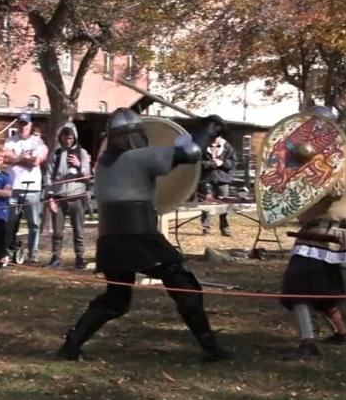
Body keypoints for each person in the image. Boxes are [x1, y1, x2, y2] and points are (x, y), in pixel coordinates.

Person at [57, 108, 230, 362]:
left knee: (116, 299)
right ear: (136, 134)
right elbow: (190, 153)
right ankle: (211, 349)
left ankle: (71, 345)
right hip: (137, 235)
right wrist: (209, 128)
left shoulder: (104, 163)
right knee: (184, 286)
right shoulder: (139, 158)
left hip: (111, 238)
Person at [279, 109, 346, 360]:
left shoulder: (338, 153)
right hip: (321, 229)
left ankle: (308, 342)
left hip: (325, 230)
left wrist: (306, 169)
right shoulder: (334, 151)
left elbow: (334, 189)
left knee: (297, 286)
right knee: (323, 287)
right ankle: (341, 333)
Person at [43, 122, 91, 269]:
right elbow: (48, 177)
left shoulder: (82, 153)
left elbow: (88, 176)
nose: (68, 140)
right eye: (65, 137)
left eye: (70, 137)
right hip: (59, 198)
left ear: (74, 138)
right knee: (57, 231)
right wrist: (50, 198)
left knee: (79, 230)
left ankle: (80, 258)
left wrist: (79, 165)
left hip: (77, 196)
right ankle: (56, 257)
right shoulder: (55, 155)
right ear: (61, 137)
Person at [3, 112, 48, 263]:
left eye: (25, 124)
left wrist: (16, 158)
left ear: (30, 125)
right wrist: (23, 157)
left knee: (34, 223)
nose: (23, 127)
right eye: (21, 124)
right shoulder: (10, 141)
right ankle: (9, 251)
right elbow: (6, 158)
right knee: (10, 222)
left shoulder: (38, 142)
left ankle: (33, 254)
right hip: (13, 187)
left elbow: (36, 161)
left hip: (32, 188)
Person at [199, 134, 237, 236]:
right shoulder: (202, 147)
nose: (213, 140)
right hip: (207, 179)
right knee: (206, 204)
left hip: (222, 180)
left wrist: (222, 163)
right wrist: (209, 164)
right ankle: (206, 228)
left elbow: (233, 162)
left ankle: (225, 228)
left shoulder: (227, 147)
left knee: (224, 204)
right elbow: (196, 162)